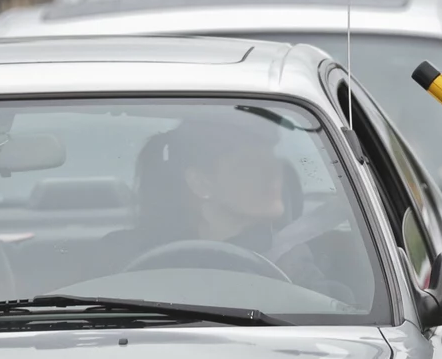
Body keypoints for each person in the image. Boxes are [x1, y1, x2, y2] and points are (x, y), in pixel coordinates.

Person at [105, 119, 353, 303]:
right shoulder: (125, 253)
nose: (272, 173)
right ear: (201, 183)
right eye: (249, 165)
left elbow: (332, 320)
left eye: (271, 159)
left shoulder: (290, 259)